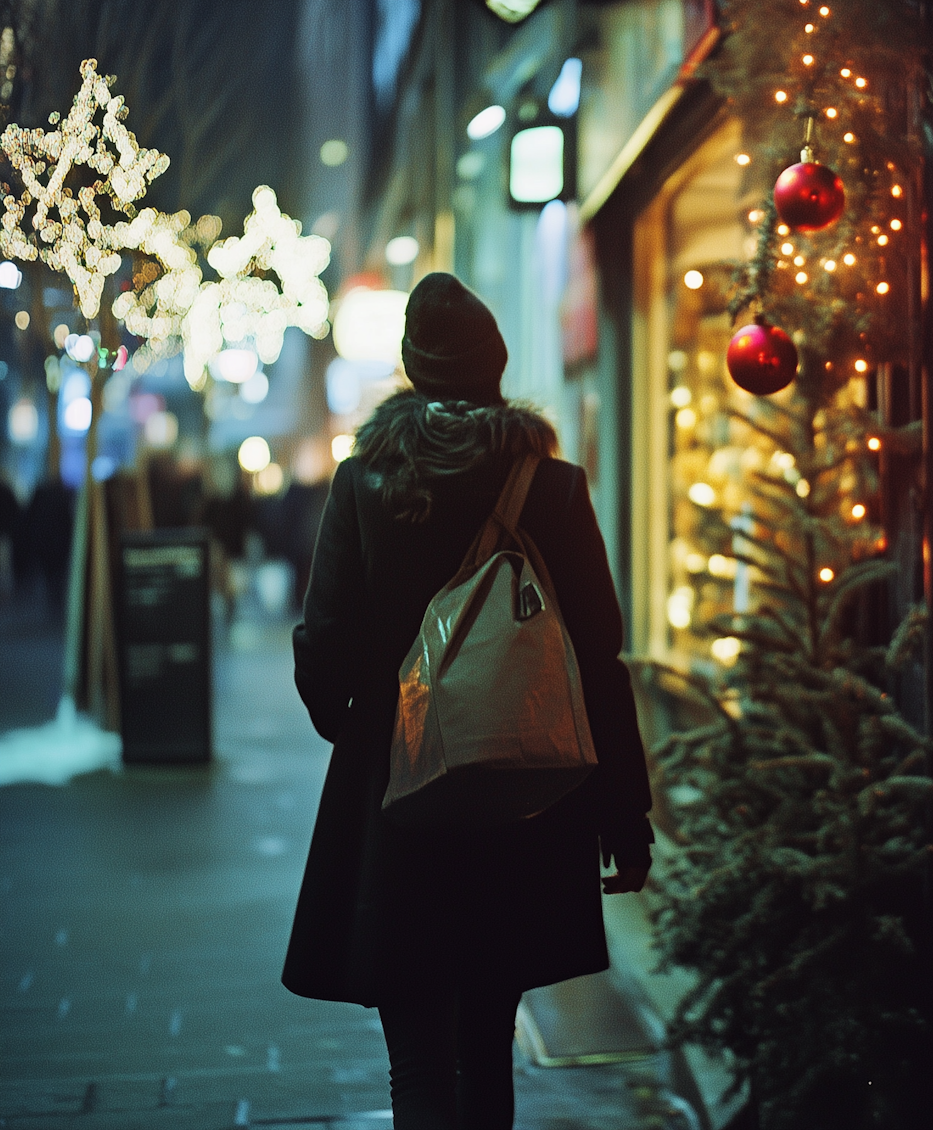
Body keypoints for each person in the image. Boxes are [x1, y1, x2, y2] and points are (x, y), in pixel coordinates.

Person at [283, 273, 653, 1129]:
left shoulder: (365, 485)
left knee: (416, 1057)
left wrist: (362, 723)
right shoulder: (553, 489)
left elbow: (322, 645)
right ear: (496, 369)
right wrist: (623, 821)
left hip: (398, 806)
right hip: (527, 798)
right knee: (487, 1042)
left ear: (413, 369)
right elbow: (600, 661)